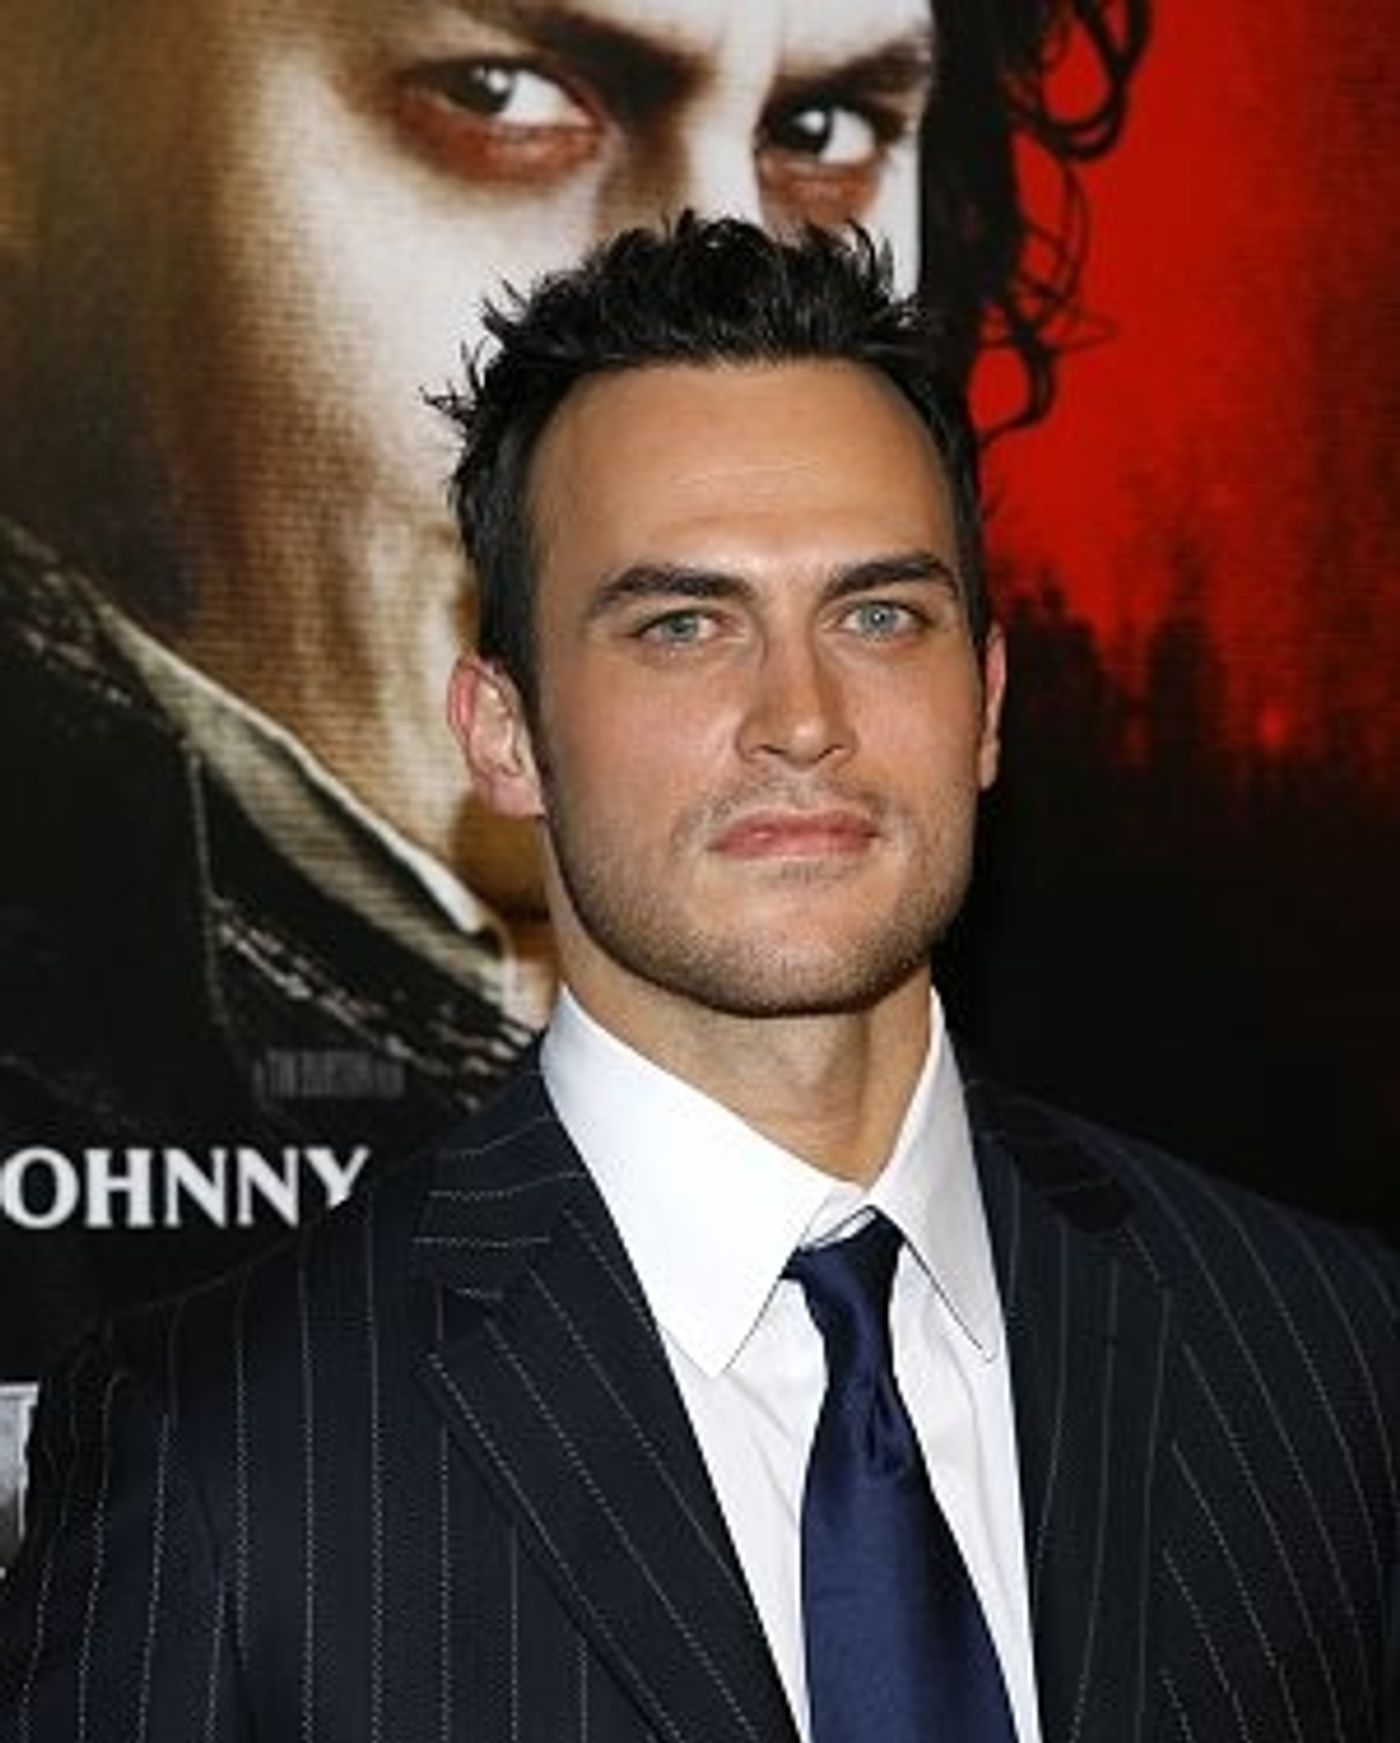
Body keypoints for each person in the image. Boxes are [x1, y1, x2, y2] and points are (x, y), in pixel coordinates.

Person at [2, 214, 1395, 1743]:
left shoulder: (1323, 1359)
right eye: (681, 624)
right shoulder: (230, 1463)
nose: (802, 718)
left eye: (880, 615)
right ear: (506, 732)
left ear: (987, 701)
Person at [0, 0, 1150, 1385]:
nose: (701, 280)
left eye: (821, 126)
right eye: (498, 97)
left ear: (988, 695)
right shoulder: (199, 1436)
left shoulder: (1303, 1352)